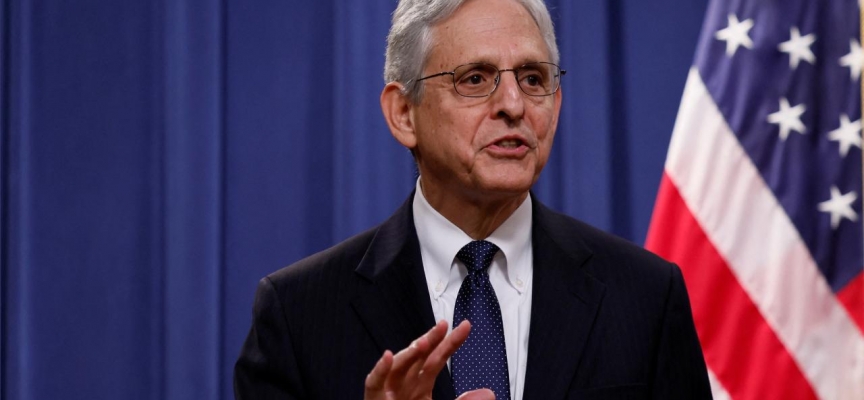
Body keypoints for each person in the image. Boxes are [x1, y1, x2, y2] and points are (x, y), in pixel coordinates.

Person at [234, 0, 712, 398]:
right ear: (403, 114)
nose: (514, 105)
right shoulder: (298, 315)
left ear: (556, 103)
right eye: (475, 79)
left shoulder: (646, 297)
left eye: (532, 78)